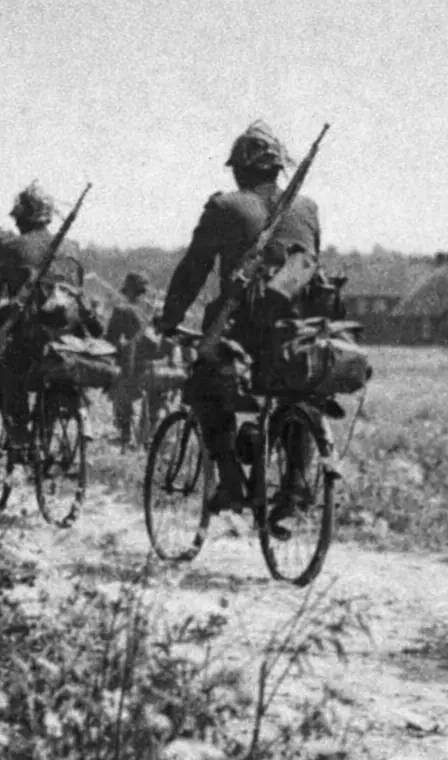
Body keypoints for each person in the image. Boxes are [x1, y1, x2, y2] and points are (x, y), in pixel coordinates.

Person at [156, 121, 322, 519]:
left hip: (244, 331)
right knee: (299, 394)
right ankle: (296, 484)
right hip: (301, 332)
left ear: (240, 170)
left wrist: (170, 318)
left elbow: (193, 270)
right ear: (279, 168)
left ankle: (232, 483)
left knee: (202, 386)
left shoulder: (225, 207)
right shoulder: (307, 208)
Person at [0, 183, 60, 454]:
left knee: (10, 373)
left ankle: (21, 439)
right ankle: (47, 435)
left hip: (29, 336)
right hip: (66, 337)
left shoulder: (10, 246)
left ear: (23, 216)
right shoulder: (72, 248)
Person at [106, 270, 173, 447]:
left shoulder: (121, 310)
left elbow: (110, 340)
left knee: (119, 390)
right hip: (161, 366)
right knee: (154, 403)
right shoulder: (154, 310)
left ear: (127, 290)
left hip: (136, 366)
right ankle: (149, 438)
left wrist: (118, 351)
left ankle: (125, 435)